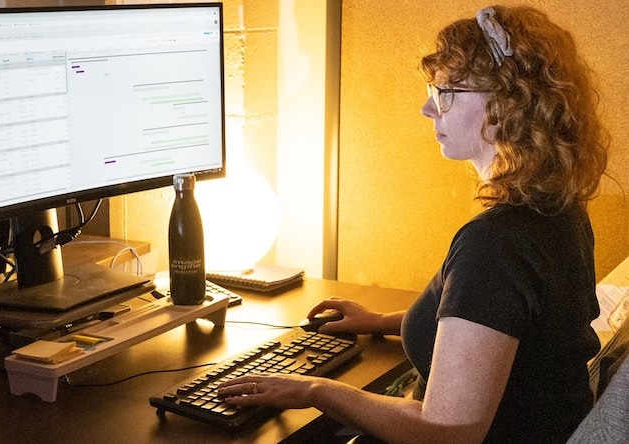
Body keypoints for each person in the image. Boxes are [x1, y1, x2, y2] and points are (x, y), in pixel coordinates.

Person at [217, 5, 610, 443]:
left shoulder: (496, 243)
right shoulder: (558, 210)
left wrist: (315, 389)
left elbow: (448, 431)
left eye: (445, 92)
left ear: (504, 104)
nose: (428, 108)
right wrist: (385, 320)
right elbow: (499, 323)